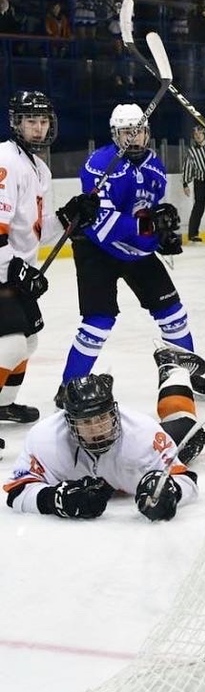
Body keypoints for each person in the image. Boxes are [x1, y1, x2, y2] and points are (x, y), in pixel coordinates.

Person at [55, 103, 205, 403]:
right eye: (127, 132)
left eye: (140, 131)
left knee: (174, 315)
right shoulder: (98, 164)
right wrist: (150, 228)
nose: (135, 137)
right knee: (98, 322)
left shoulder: (155, 165)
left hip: (136, 252)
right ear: (115, 135)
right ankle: (69, 387)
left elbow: (151, 212)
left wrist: (162, 235)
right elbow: (105, 224)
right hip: (96, 250)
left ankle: (188, 374)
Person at [4, 365, 200, 522]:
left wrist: (171, 493)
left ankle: (174, 370)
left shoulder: (142, 434)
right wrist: (54, 500)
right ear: (70, 422)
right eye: (87, 422)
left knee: (190, 431)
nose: (98, 428)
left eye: (102, 418)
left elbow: (186, 480)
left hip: (150, 436)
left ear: (115, 413)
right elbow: (17, 493)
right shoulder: (45, 438)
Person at [0, 92, 58, 441]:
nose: (38, 129)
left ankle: (4, 403)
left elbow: (39, 230)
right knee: (12, 344)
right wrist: (14, 269)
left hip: (11, 269)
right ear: (16, 123)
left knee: (29, 340)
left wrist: (70, 218)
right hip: (3, 269)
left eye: (42, 121)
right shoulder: (6, 160)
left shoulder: (39, 168)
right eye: (30, 121)